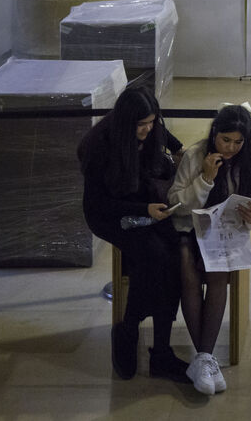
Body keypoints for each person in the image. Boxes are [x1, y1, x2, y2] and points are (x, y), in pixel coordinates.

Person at [77, 84, 188, 383]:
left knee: (173, 254)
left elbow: (163, 133)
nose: (148, 129)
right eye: (141, 124)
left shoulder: (150, 129)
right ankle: (130, 329)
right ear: (126, 122)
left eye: (152, 122)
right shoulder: (99, 146)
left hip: (144, 202)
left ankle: (159, 349)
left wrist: (180, 151)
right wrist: (144, 210)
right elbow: (97, 204)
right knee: (154, 256)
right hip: (111, 214)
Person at [168, 102, 251, 395]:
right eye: (225, 140)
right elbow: (175, 204)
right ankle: (205, 359)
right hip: (187, 229)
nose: (231, 147)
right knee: (188, 273)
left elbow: (248, 206)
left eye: (238, 142)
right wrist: (205, 179)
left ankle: (203, 358)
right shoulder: (196, 155)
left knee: (218, 274)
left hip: (223, 234)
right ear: (214, 134)